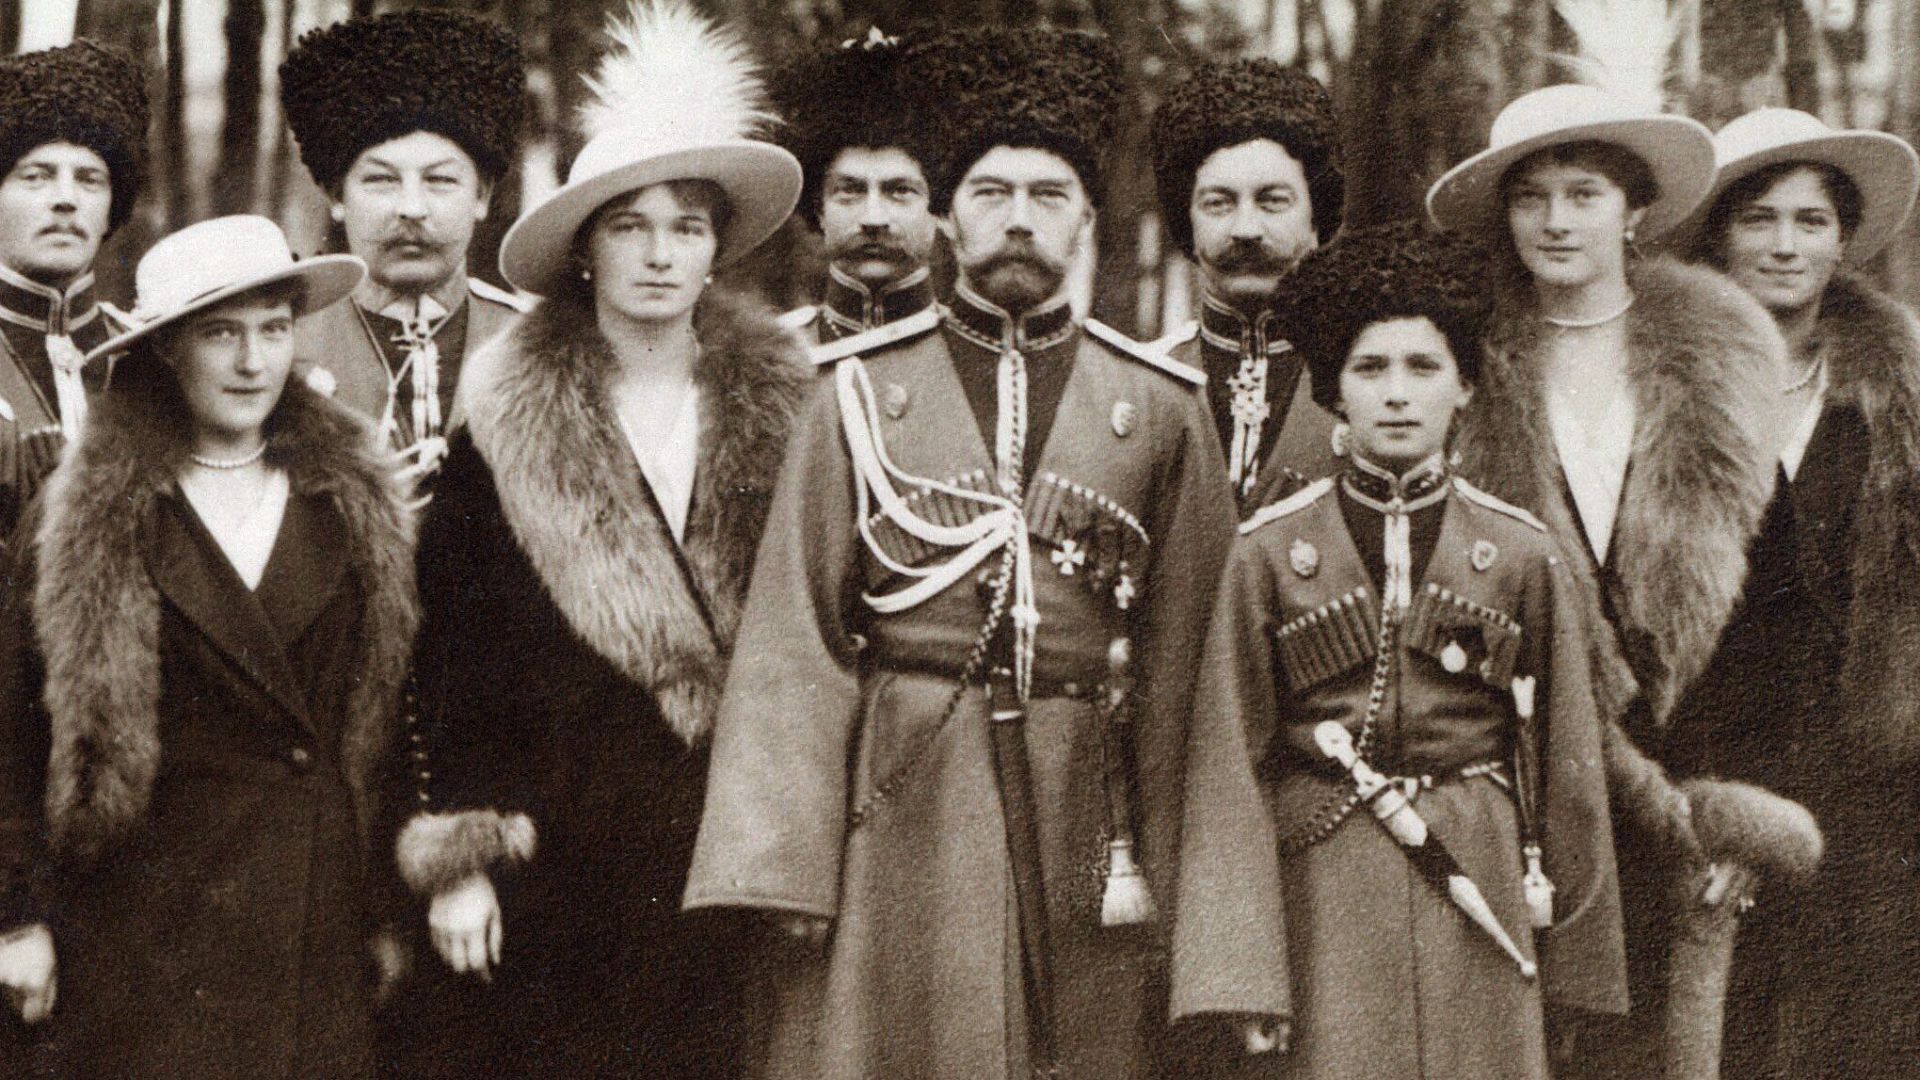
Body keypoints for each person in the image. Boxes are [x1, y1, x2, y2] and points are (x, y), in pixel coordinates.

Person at [684, 25, 1275, 1080]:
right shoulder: (853, 392)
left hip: (1090, 808)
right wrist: (783, 874)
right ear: (948, 214)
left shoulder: (1160, 407)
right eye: (992, 192)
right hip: (904, 793)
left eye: (1048, 196)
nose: (1018, 220)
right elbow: (794, 640)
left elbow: (1200, 687)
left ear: (1088, 218)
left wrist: (1219, 937)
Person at [390, 3, 807, 1076]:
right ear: (585, 249)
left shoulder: (793, 415)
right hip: (557, 874)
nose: (661, 254)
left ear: (718, 246)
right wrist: (460, 860)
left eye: (688, 225)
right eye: (630, 225)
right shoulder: (506, 425)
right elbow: (446, 665)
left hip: (731, 859)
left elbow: (820, 653)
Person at [1429, 85, 1822, 1077]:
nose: (1557, 221)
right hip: (1527, 791)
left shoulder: (1725, 362)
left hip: (1690, 786)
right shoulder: (1462, 367)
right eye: (1534, 197)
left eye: (1585, 193)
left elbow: (1775, 613)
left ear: (1634, 209)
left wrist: (1736, 810)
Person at [1191, 221, 1625, 1079]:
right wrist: (1242, 971)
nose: (1397, 394)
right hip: (1323, 875)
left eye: (1423, 368)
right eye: (1370, 368)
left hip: (1483, 870)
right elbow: (1225, 766)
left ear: (1465, 387)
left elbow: (1568, 755)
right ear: (1332, 392)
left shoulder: (1522, 552)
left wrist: (1576, 972)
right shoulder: (1270, 551)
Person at [0, 214, 415, 1079]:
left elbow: (386, 716)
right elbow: (11, 726)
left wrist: (383, 910)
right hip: (137, 925)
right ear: (164, 351)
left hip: (312, 917)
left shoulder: (350, 498)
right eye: (221, 333)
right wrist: (17, 916)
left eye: (273, 329)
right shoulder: (85, 516)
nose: (253, 362)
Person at [1666, 107, 1920, 1080]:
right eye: (1758, 218)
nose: (1784, 245)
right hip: (1706, 756)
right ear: (1719, 233)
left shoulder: (1896, 396)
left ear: (1843, 240)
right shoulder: (1662, 387)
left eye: (1810, 221)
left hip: (1869, 772)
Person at [280, 10, 530, 485]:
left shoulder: (527, 341)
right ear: (336, 196)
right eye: (381, 180)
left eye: (439, 180)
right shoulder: (284, 342)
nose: (412, 208)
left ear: (482, 197)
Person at [1148, 59, 1345, 513]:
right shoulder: (1145, 383)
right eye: (1219, 203)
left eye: (1273, 201)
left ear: (1317, 220)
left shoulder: (1369, 382)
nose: (1246, 229)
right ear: (1188, 225)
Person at [0, 40, 146, 532]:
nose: (66, 199)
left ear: (112, 207)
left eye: (89, 179)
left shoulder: (149, 354)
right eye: (36, 176)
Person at [773, 27, 940, 344]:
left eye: (900, 191)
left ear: (940, 210)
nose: (873, 219)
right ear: (818, 209)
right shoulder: (776, 352)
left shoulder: (977, 357)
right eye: (850, 191)